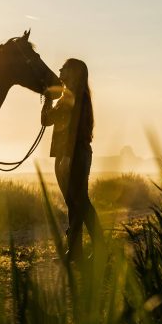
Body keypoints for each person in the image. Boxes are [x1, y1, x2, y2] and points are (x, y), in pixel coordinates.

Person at [41, 58, 102, 259]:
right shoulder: (66, 97)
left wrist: (66, 157)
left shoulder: (77, 97)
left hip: (74, 155)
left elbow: (74, 129)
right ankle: (76, 251)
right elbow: (46, 121)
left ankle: (97, 248)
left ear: (74, 72)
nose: (60, 69)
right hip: (66, 156)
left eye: (64, 67)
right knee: (74, 203)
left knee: (80, 202)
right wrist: (48, 97)